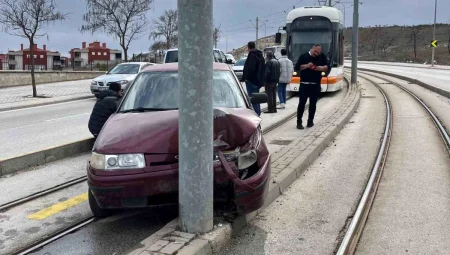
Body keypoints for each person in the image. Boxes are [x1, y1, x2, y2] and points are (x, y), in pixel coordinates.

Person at [294, 44, 329, 129]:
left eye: (318, 52)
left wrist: (322, 68)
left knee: (313, 104)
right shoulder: (303, 56)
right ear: (312, 48)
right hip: (304, 84)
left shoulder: (322, 56)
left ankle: (310, 121)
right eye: (315, 51)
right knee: (302, 103)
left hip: (315, 84)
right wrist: (307, 66)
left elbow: (327, 66)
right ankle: (299, 122)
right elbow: (297, 67)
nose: (316, 53)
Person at [243, 41, 265, 116]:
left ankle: (256, 114)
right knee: (257, 98)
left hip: (252, 81)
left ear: (248, 47)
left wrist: (246, 78)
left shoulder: (252, 55)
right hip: (258, 81)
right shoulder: (260, 55)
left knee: (253, 99)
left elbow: (250, 69)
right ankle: (258, 113)